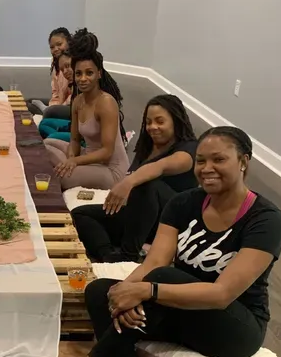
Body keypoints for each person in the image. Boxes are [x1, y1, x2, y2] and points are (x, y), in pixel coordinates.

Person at [8, 127, 281, 357]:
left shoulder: (265, 219)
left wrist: (147, 291)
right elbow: (153, 261)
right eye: (200, 160)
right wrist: (123, 296)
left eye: (219, 159)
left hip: (234, 325)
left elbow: (221, 294)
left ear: (243, 162)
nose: (206, 168)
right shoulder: (184, 203)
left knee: (159, 280)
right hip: (180, 308)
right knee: (100, 291)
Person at [73, 94, 198, 261]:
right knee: (80, 214)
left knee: (147, 184)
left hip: (171, 222)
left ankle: (129, 254)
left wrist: (128, 183)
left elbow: (159, 167)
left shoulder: (189, 149)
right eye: (148, 122)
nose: (153, 127)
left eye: (160, 121)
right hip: (139, 217)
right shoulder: (147, 146)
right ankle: (108, 256)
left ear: (176, 121)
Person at [45, 31, 129, 190]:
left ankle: (66, 172)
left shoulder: (106, 103)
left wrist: (74, 162)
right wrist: (71, 158)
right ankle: (67, 169)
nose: (83, 79)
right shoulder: (77, 101)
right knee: (46, 144)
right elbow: (75, 140)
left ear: (99, 74)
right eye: (78, 74)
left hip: (110, 169)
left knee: (61, 178)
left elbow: (107, 151)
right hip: (88, 157)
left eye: (89, 73)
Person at [39, 50, 75, 142]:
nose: (65, 72)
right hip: (73, 125)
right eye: (62, 70)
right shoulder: (73, 84)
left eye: (68, 66)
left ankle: (55, 138)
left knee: (51, 137)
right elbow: (55, 93)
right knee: (43, 125)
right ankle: (57, 137)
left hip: (83, 136)